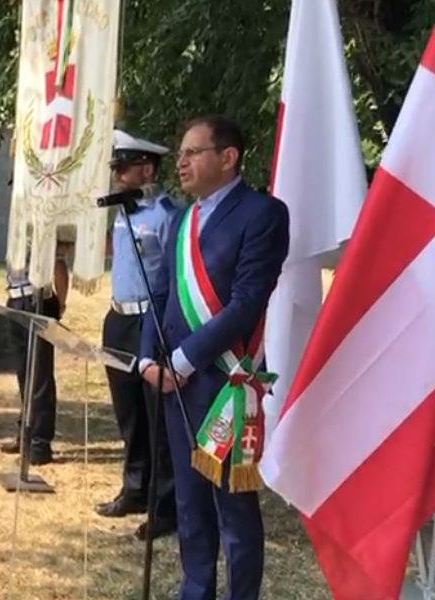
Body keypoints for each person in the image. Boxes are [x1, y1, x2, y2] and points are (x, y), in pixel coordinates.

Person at [138, 115, 289, 599]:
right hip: (175, 386)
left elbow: (247, 303)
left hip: (225, 385)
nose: (180, 162)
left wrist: (182, 361)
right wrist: (147, 358)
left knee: (234, 511)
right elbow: (161, 294)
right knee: (190, 504)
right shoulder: (185, 219)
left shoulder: (263, 214)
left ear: (228, 157)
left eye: (192, 152)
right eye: (180, 153)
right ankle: (195, 590)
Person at [95, 130, 178, 541]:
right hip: (119, 319)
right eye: (116, 167)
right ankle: (134, 488)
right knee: (128, 412)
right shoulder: (121, 211)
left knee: (155, 416)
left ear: (147, 169)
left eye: (124, 167)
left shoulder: (167, 215)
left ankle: (164, 506)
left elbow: (174, 275)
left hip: (151, 321)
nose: (117, 174)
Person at [0, 240, 70, 466]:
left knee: (39, 375)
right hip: (16, 298)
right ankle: (25, 433)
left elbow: (59, 264)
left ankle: (40, 443)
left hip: (37, 298)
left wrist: (60, 303)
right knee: (24, 372)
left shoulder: (42, 227)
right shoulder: (17, 230)